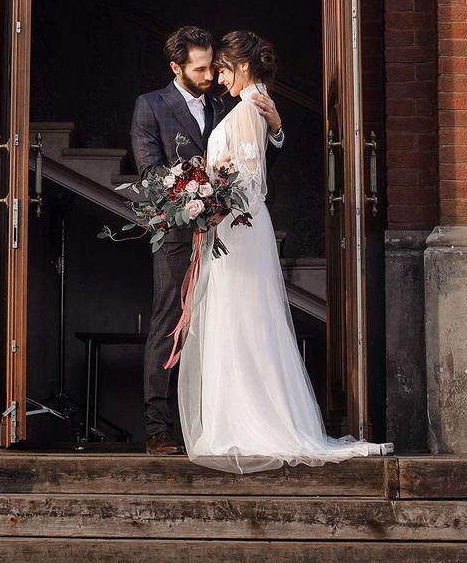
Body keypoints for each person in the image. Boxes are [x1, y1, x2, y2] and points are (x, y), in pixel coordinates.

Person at [176, 30, 392, 472]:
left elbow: (251, 186)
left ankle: (246, 423)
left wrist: (211, 203)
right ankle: (237, 418)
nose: (217, 79)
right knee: (237, 320)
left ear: (242, 67)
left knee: (242, 320)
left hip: (238, 227)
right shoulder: (251, 107)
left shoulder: (251, 109)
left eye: (222, 70)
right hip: (234, 230)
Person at [129, 26, 283, 456]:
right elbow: (150, 173)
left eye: (213, 65)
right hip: (180, 234)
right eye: (200, 69)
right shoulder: (151, 106)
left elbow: (254, 163)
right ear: (176, 67)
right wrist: (192, 197)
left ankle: (213, 421)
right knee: (170, 324)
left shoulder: (228, 101)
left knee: (219, 327)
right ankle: (159, 428)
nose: (210, 76)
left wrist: (276, 128)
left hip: (225, 235)